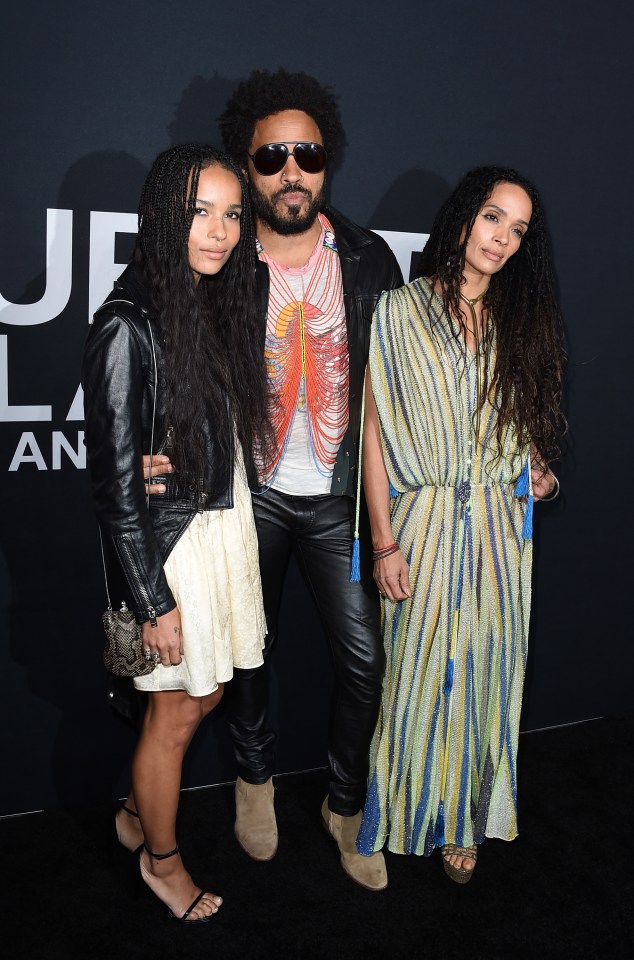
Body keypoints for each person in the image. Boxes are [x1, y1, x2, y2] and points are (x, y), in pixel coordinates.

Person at [145, 69, 403, 890]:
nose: (292, 170)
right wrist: (156, 444)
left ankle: (343, 803)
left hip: (335, 499)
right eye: (271, 157)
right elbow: (167, 349)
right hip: (245, 495)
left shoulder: (366, 260)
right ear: (246, 165)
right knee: (247, 659)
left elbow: (397, 388)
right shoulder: (222, 257)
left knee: (365, 661)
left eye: (308, 153)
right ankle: (253, 785)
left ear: (327, 162)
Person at [356, 166, 566, 883]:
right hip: (423, 522)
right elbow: (374, 437)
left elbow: (517, 431)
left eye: (517, 229)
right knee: (417, 676)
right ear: (463, 219)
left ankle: (468, 819)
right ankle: (413, 806)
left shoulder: (517, 321)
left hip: (503, 532)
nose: (502, 238)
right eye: (492, 218)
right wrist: (382, 539)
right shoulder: (398, 310)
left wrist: (537, 472)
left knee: (487, 673)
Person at [83, 144, 270, 921]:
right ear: (163, 214)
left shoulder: (211, 304)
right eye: (200, 212)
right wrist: (153, 600)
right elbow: (116, 492)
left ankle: (134, 817)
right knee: (173, 712)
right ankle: (162, 863)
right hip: (175, 546)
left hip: (223, 527)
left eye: (232, 214)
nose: (220, 231)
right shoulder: (127, 324)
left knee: (210, 690)